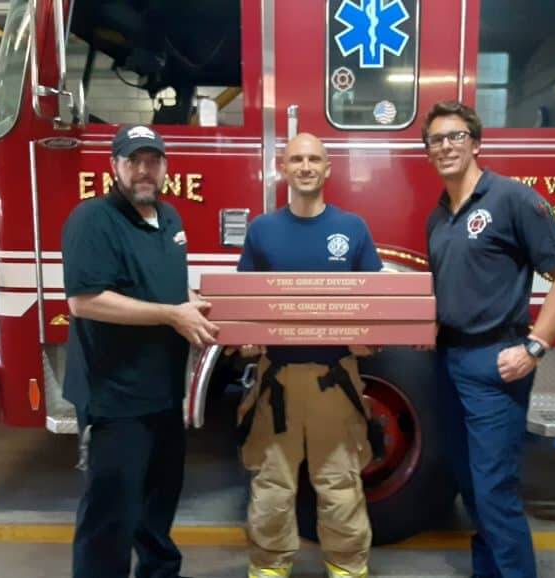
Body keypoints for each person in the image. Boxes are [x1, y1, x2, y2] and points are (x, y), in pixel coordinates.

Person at [422, 101, 555, 578]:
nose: (446, 146)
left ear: (476, 143)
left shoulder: (511, 198)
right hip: (448, 360)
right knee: (470, 485)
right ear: (428, 151)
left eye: (456, 137)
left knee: (495, 491)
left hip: (497, 361)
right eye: (436, 140)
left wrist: (536, 346)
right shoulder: (438, 217)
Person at [62, 124, 219, 578]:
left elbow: (161, 287)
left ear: (166, 167)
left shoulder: (170, 219)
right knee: (111, 515)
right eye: (134, 161)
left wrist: (186, 302)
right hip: (116, 398)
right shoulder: (92, 220)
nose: (145, 170)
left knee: (158, 506)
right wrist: (173, 315)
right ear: (115, 167)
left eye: (153, 161)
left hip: (165, 394)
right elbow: (85, 301)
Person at [235, 133, 382, 578]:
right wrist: (243, 338)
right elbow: (245, 301)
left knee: (340, 486)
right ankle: (268, 569)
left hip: (333, 380)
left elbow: (375, 303)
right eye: (296, 159)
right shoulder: (262, 230)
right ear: (283, 167)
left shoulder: (353, 229)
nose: (304, 166)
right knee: (271, 488)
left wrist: (372, 338)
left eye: (313, 159)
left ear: (327, 167)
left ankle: (347, 568)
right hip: (275, 381)